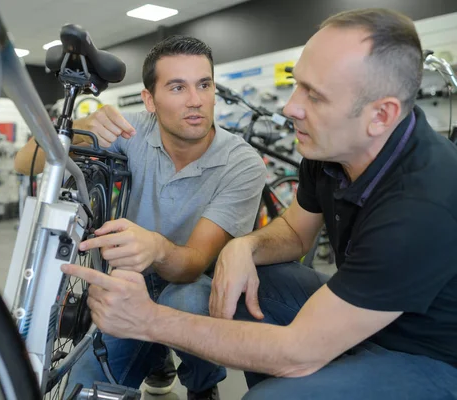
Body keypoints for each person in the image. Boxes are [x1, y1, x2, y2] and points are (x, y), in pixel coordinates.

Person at [63, 8, 457, 399]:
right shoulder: (329, 151)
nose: (290, 108)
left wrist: (148, 321)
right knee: (239, 279)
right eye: (296, 85)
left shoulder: (422, 202)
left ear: (380, 115)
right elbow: (294, 235)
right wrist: (242, 246)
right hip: (362, 309)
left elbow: (298, 353)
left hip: (428, 355)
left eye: (314, 96)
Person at [14, 36, 266, 399]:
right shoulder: (129, 132)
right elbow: (24, 163)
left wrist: (157, 248)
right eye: (177, 87)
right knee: (84, 391)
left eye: (204, 85)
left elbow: (193, 263)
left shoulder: (241, 164)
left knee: (188, 299)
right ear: (150, 100)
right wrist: (79, 129)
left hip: (190, 284)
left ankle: (201, 383)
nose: (195, 100)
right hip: (126, 283)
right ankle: (154, 356)